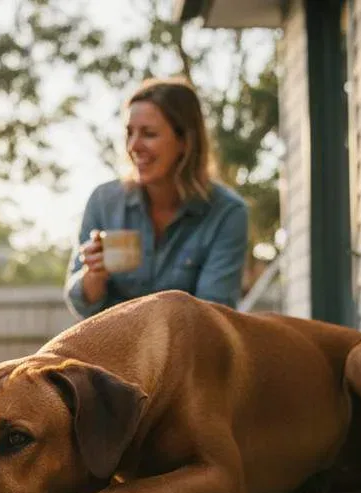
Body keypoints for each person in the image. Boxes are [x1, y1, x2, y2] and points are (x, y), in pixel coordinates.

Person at [65, 77, 249, 320]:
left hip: (186, 352)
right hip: (110, 349)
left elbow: (213, 316)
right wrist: (93, 276)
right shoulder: (103, 201)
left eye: (149, 134)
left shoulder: (227, 213)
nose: (134, 146)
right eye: (129, 133)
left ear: (185, 141)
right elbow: (80, 304)